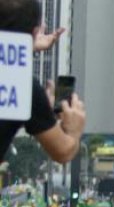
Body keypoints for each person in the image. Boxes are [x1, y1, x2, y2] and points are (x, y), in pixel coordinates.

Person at [0, 0, 84, 163]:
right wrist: (74, 129)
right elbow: (63, 151)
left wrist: (25, 47)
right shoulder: (24, 88)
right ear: (35, 31)